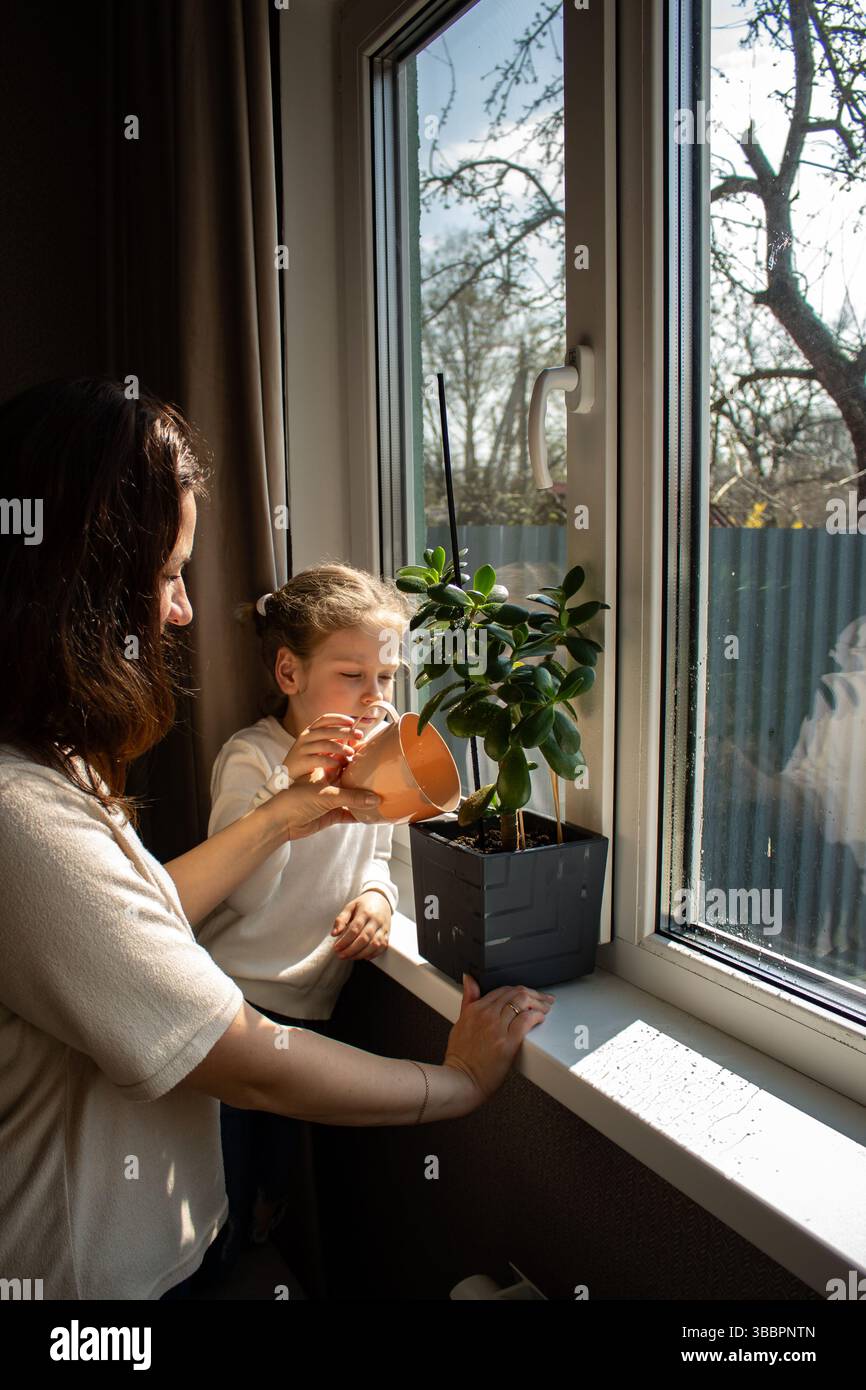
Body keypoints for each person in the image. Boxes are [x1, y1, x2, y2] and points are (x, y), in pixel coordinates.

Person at [0, 377, 554, 1301]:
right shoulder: (21, 813)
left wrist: (292, 820)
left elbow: (119, 929)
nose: (179, 611)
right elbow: (245, 1057)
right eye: (168, 574)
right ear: (74, 585)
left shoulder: (55, 768)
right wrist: (451, 1086)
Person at [195, 565, 411, 1278]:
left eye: (386, 677)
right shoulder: (252, 760)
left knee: (270, 1193)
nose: (375, 697)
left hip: (309, 1014)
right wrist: (286, 797)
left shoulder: (373, 761)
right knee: (215, 1194)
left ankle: (254, 1264)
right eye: (353, 675)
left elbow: (377, 853)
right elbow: (241, 899)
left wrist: (379, 897)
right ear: (289, 670)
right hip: (232, 1007)